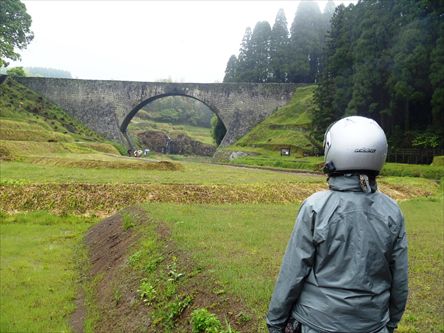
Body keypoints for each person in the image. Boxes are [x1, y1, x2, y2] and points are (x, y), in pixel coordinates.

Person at [266, 116, 408, 333]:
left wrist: (275, 322)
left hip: (315, 323)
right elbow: (399, 278)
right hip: (372, 324)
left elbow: (293, 271)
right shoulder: (392, 212)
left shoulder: (315, 207)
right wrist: (390, 323)